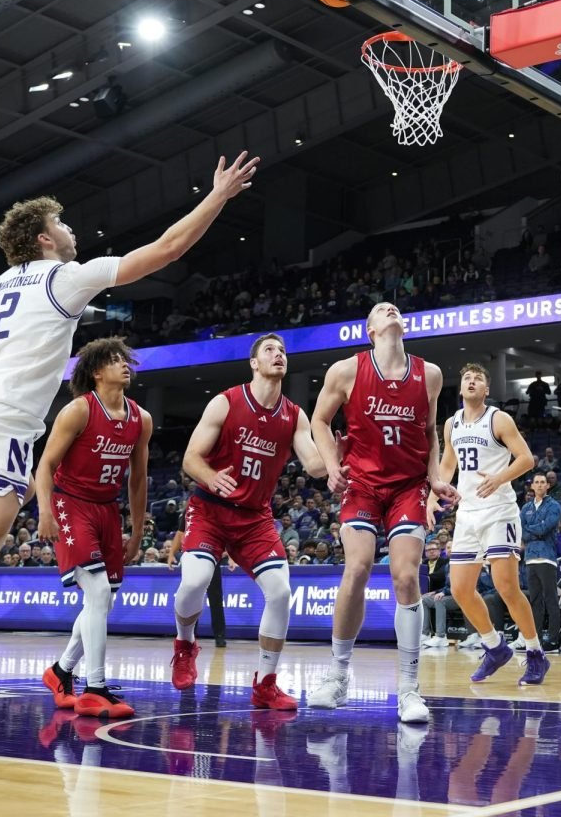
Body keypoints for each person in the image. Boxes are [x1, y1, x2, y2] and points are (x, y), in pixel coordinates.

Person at [0, 151, 260, 761]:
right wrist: (218, 197)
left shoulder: (0, 284)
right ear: (43, 238)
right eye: (66, 224)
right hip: (1, 419)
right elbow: (163, 250)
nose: (74, 232)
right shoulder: (62, 278)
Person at [306, 303, 457, 724]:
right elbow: (319, 420)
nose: (391, 310)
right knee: (357, 567)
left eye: (395, 308)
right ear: (370, 329)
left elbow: (428, 433)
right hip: (363, 484)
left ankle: (408, 689)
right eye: (381, 310)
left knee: (407, 577)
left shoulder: (429, 374)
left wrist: (434, 479)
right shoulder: (346, 370)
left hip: (408, 485)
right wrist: (332, 465)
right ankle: (337, 675)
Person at [171, 333, 331, 711]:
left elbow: (314, 465)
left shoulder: (294, 414)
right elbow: (191, 458)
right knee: (194, 580)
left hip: (254, 517)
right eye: (270, 350)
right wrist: (209, 477)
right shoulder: (225, 402)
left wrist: (335, 453)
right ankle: (185, 644)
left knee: (280, 592)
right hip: (210, 508)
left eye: (283, 351)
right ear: (254, 364)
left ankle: (266, 683)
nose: (279, 355)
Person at [35, 338, 152, 719]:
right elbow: (46, 465)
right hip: (70, 503)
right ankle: (95, 688)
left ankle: (60, 672)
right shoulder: (77, 411)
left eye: (125, 359)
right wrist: (44, 512)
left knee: (102, 600)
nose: (124, 365)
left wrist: (136, 531)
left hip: (107, 509)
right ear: (97, 372)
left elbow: (138, 480)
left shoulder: (141, 419)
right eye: (115, 361)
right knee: (98, 592)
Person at [437, 364, 548, 684]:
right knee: (459, 589)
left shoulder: (498, 418)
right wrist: (435, 493)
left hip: (499, 510)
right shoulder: (451, 423)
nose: (471, 381)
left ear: (487, 390)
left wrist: (500, 478)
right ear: (460, 389)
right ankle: (495, 647)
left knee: (506, 586)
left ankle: (535, 653)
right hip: (468, 513)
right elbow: (448, 463)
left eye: (478, 379)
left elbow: (527, 459)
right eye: (466, 378)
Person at [520, 473, 561, 653]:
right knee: (535, 600)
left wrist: (532, 531)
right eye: (536, 482)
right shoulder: (525, 508)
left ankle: (554, 640)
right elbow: (522, 533)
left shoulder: (554, 505)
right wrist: (534, 531)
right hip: (530, 558)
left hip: (547, 557)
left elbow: (547, 528)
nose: (539, 485)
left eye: (542, 482)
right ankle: (535, 639)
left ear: (548, 486)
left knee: (550, 599)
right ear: (532, 486)